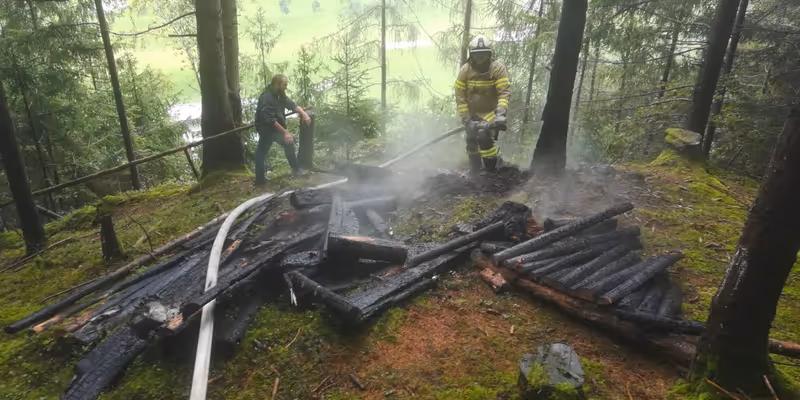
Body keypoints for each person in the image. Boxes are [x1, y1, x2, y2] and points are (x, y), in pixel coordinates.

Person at [454, 35, 510, 174]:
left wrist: (501, 114)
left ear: (489, 54)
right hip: (471, 113)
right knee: (471, 140)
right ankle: (474, 171)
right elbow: (460, 96)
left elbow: (503, 92)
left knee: (484, 136)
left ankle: (490, 170)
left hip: (490, 113)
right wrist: (466, 118)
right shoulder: (465, 71)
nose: (480, 58)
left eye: (483, 54)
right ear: (471, 55)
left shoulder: (498, 69)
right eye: (477, 54)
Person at [254, 74, 311, 185]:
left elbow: (292, 105)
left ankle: (295, 171)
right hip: (266, 129)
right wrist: (285, 132)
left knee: (287, 143)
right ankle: (260, 180)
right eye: (284, 84)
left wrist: (304, 114)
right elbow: (270, 119)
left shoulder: (279, 95)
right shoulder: (267, 97)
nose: (286, 87)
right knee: (261, 152)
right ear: (277, 84)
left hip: (275, 128)